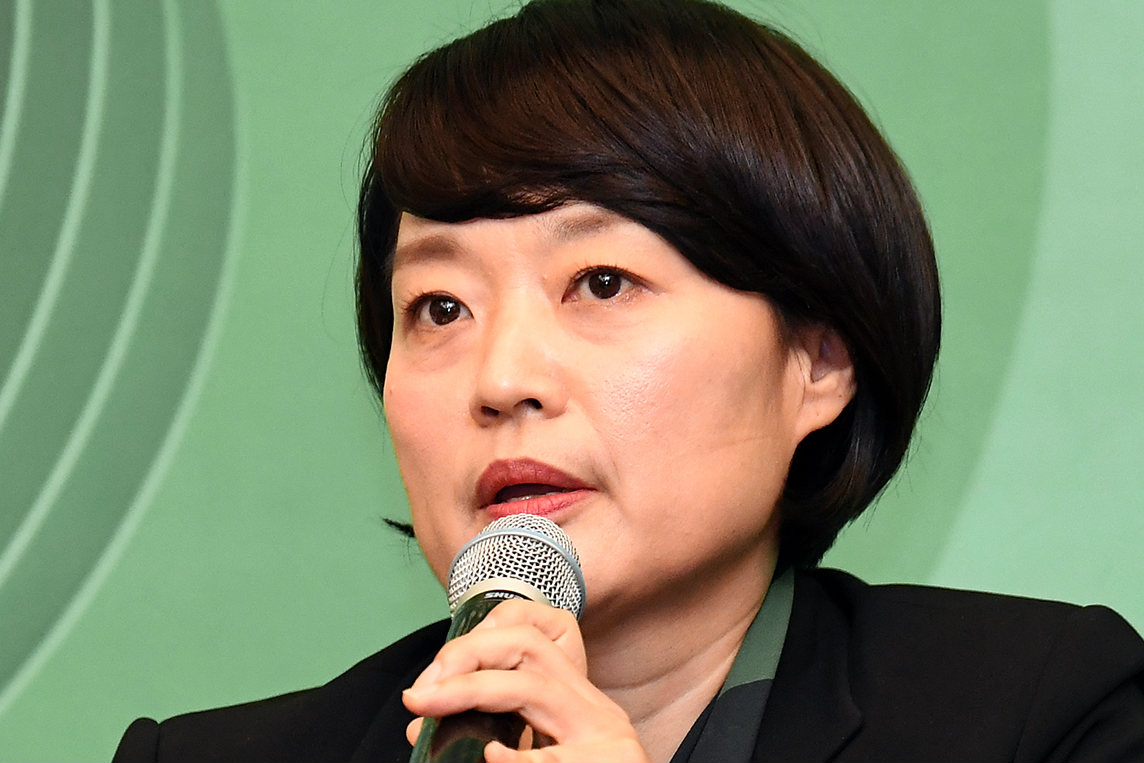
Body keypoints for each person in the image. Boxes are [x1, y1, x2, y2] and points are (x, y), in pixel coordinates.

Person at [113, 0, 1144, 760]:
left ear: (817, 361)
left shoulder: (1041, 714)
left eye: (601, 282)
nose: (503, 378)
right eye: (439, 307)